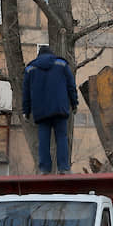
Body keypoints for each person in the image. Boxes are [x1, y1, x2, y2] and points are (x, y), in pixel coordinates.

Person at [23, 46, 78, 174]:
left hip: (40, 111)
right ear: (51, 54)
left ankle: (44, 169)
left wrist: (26, 110)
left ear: (39, 55)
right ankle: (63, 168)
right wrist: (74, 103)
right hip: (60, 108)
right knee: (62, 138)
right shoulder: (62, 64)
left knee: (43, 140)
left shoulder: (30, 68)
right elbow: (71, 86)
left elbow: (26, 92)